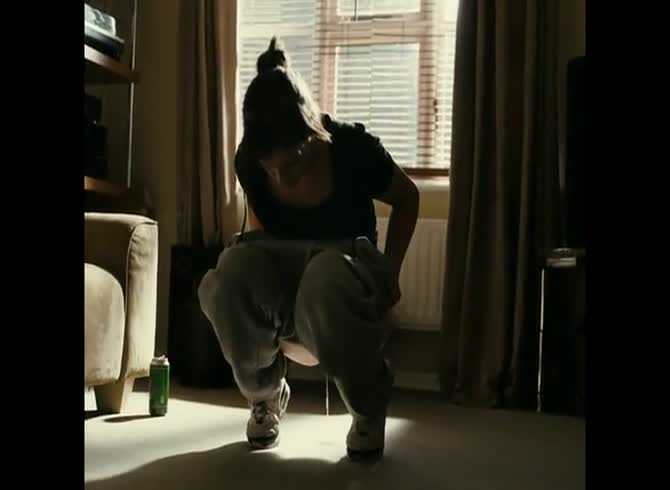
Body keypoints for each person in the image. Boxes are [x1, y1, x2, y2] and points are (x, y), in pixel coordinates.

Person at [198, 37, 419, 462]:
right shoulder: (250, 163)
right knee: (229, 272)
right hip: (288, 294)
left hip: (344, 291)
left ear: (312, 133)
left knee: (323, 277)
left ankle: (368, 406)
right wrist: (259, 296)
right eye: (271, 169)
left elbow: (408, 197)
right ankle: (264, 397)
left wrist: (391, 273)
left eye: (292, 164)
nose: (280, 179)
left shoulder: (352, 148)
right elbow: (261, 240)